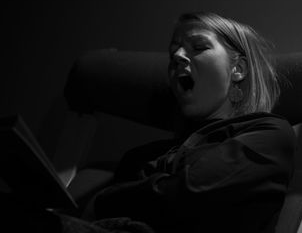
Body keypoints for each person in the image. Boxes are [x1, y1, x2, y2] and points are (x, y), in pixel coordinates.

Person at [88, 12, 296, 233]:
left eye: (198, 47)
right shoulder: (138, 157)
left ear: (238, 69)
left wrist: (105, 198)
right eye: (173, 52)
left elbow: (190, 193)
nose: (177, 56)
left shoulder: (269, 132)